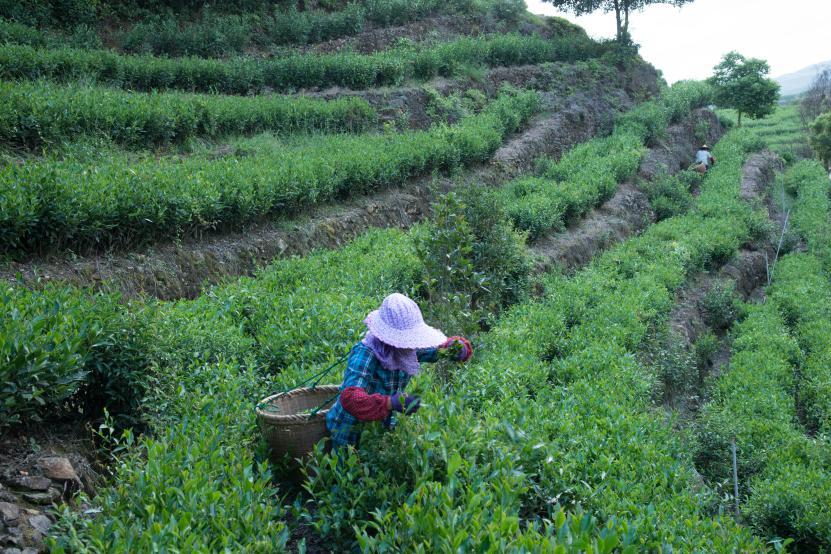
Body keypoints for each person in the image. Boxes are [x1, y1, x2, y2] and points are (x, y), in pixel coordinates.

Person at [326, 293, 472, 450]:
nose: (409, 344)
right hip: (348, 429)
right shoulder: (367, 352)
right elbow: (350, 397)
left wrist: (454, 349)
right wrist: (391, 402)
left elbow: (434, 351)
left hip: (379, 428)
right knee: (348, 470)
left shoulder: (405, 350)